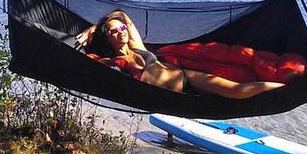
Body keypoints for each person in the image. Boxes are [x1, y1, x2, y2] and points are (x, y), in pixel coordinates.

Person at [76, 10, 286, 99]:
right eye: (114, 31)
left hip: (186, 76)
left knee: (238, 90)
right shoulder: (114, 61)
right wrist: (96, 34)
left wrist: (93, 27)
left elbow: (122, 14)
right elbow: (90, 66)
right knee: (237, 92)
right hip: (169, 96)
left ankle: (289, 89)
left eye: (122, 29)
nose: (121, 32)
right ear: (108, 38)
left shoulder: (137, 46)